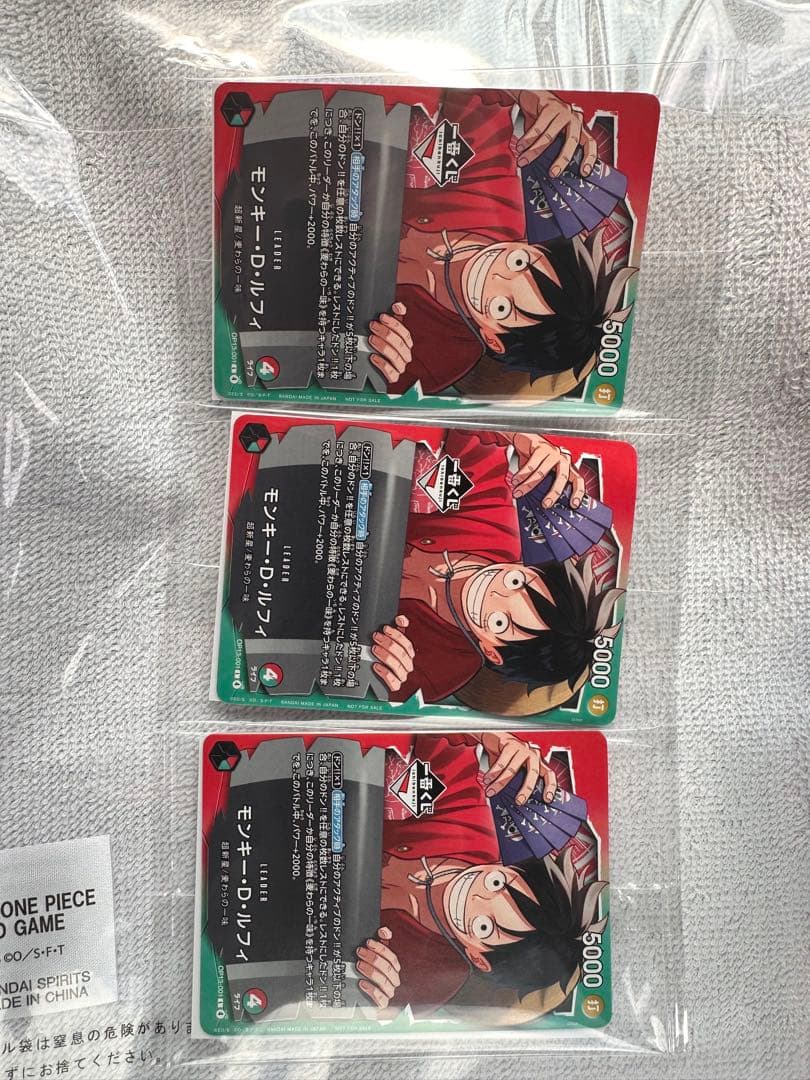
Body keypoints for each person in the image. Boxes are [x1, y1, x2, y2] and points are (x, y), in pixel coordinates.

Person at [366, 89, 636, 395]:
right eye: (520, 262)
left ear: (493, 339)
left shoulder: (440, 357)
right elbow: (475, 95)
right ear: (536, 246)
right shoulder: (495, 201)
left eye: (502, 307)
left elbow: (349, 386)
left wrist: (368, 352)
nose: (493, 273)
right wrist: (526, 93)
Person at [355, 731, 607, 1015]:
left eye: (484, 926)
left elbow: (364, 1013)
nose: (475, 894)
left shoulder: (425, 977)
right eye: (497, 882)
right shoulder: (468, 828)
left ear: (479, 958)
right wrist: (487, 734)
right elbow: (441, 736)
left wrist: (362, 983)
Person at [369, 429, 622, 704]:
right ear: (529, 567)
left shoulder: (438, 669)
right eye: (516, 582)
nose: (493, 591)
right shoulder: (494, 523)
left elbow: (359, 692)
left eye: (500, 622)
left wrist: (373, 663)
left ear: (492, 651)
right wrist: (517, 435)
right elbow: (469, 432)